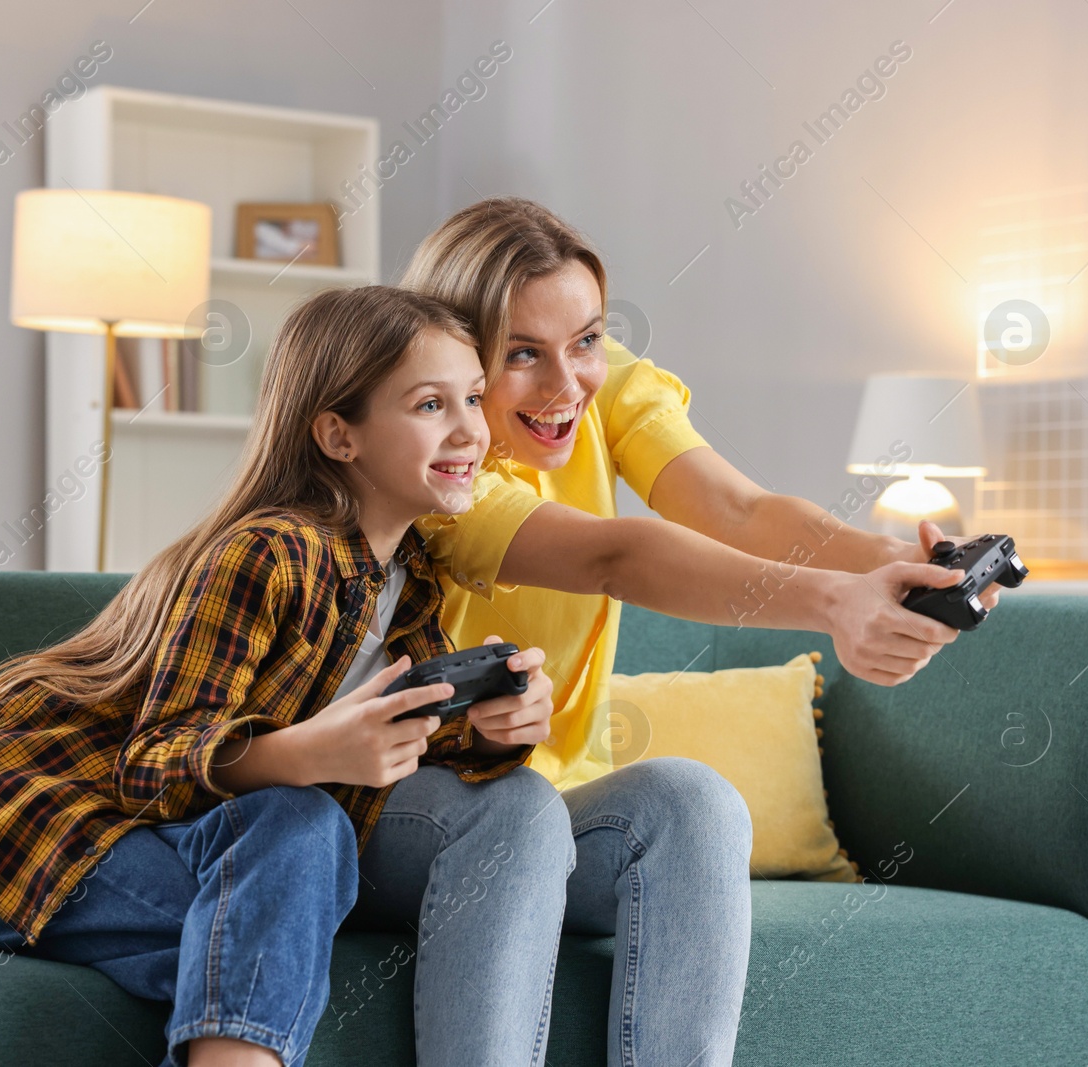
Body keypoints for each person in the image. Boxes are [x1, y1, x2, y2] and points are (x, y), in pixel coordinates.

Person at [349, 196, 998, 1066]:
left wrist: (900, 562)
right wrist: (834, 603)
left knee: (693, 803)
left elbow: (737, 507)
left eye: (584, 341)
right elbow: (618, 555)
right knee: (516, 810)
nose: (565, 384)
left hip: (553, 806)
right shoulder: (436, 464)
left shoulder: (593, 382)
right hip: (401, 815)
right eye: (521, 355)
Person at [0, 285, 561, 1067]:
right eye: (430, 405)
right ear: (339, 435)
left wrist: (487, 729)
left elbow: (392, 754)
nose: (470, 428)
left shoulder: (411, 586)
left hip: (188, 838)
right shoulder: (269, 552)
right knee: (299, 848)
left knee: (304, 847)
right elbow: (152, 765)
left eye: (473, 398)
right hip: (14, 831)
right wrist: (304, 755)